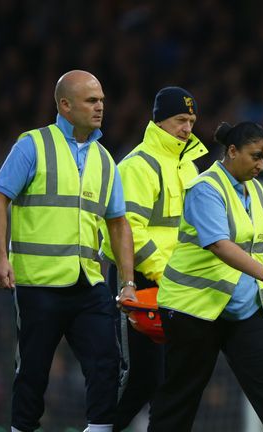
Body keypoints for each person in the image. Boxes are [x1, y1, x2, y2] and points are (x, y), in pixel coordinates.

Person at [0, 70, 135, 432]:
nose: (100, 106)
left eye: (101, 99)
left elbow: (118, 223)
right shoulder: (32, 145)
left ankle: (98, 429)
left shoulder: (104, 159)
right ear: (65, 105)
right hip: (38, 283)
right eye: (91, 100)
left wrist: (128, 282)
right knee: (33, 372)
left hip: (88, 282)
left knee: (107, 362)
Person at [147, 121, 263, 432]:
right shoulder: (204, 188)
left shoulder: (257, 191)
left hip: (245, 307)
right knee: (181, 397)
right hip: (194, 308)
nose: (261, 165)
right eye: (255, 156)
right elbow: (219, 244)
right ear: (232, 151)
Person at [99, 86, 208, 430]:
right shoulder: (138, 165)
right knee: (138, 377)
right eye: (180, 120)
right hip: (141, 279)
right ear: (159, 120)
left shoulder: (189, 166)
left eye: (191, 121)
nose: (187, 128)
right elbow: (129, 230)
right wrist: (165, 273)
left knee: (170, 379)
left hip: (176, 284)